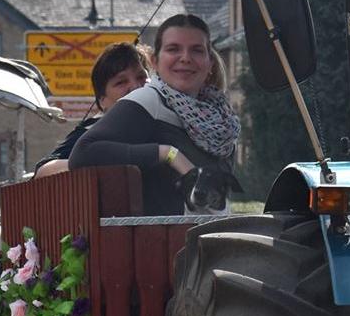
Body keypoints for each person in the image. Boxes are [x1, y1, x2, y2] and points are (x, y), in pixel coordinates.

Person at [68, 14, 238, 214]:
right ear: (155, 62)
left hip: (215, 238)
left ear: (210, 63)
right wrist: (168, 154)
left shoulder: (222, 122)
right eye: (173, 49)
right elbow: (83, 154)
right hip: (167, 241)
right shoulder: (149, 100)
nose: (185, 58)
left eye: (197, 50)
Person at [34, 41, 151, 178]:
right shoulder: (91, 131)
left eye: (141, 77)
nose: (135, 86)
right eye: (121, 82)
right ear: (102, 100)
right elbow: (43, 172)